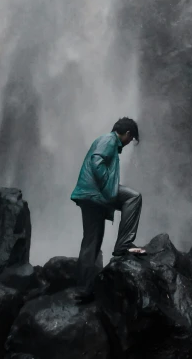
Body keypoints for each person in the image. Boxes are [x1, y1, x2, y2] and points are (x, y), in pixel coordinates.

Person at [70, 117, 145, 301]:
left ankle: (84, 288)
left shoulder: (106, 140)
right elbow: (97, 162)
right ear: (127, 134)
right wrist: (108, 187)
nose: (129, 143)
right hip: (94, 194)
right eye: (132, 139)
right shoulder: (109, 140)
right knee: (133, 197)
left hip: (89, 195)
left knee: (92, 241)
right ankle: (124, 244)